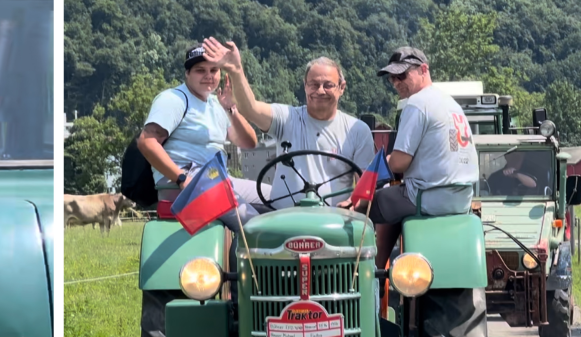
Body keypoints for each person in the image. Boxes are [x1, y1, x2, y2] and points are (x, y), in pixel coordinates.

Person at [203, 41, 375, 209]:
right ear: (305, 86)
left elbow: (365, 187)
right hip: (284, 219)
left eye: (328, 85)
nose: (320, 91)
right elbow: (251, 108)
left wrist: (354, 202)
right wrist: (236, 70)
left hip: (335, 221)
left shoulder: (357, 130)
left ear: (341, 87)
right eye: (314, 84)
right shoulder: (287, 118)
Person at [366, 47, 479, 269]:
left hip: (428, 197)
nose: (396, 82)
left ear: (423, 69)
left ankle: (367, 277)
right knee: (393, 200)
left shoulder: (417, 103)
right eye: (392, 78)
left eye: (402, 75)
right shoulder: (451, 104)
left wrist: (381, 164)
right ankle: (382, 270)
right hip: (460, 199)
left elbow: (399, 163)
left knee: (363, 207)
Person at [138, 44, 260, 229]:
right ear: (187, 73)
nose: (208, 75)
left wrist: (230, 109)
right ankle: (245, 255)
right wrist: (181, 179)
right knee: (255, 224)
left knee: (280, 197)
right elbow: (147, 142)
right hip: (184, 181)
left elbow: (248, 142)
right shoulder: (174, 99)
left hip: (217, 178)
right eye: (200, 70)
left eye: (214, 69)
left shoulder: (216, 103)